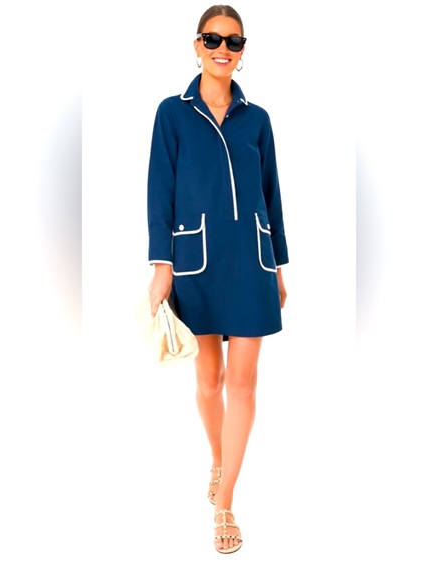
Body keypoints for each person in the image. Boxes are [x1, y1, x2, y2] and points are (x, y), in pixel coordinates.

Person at [146, 4, 289, 554]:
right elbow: (160, 190)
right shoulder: (172, 113)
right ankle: (218, 459)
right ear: (197, 46)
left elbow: (272, 196)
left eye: (233, 41)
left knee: (244, 384)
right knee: (209, 380)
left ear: (243, 50)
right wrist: (161, 266)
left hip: (252, 262)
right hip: (195, 261)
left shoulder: (258, 119)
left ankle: (225, 500)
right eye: (212, 39)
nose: (222, 49)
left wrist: (278, 265)